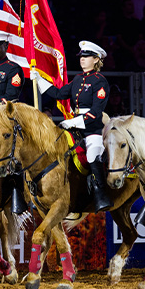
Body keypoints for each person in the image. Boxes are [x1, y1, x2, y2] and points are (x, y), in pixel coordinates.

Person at [31, 41, 112, 212]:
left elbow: (96, 112)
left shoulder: (100, 81)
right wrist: (39, 79)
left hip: (91, 128)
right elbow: (59, 94)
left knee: (93, 154)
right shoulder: (78, 79)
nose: (82, 59)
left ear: (96, 59)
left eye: (86, 56)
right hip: (74, 127)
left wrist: (74, 122)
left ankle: (101, 195)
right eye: (81, 56)